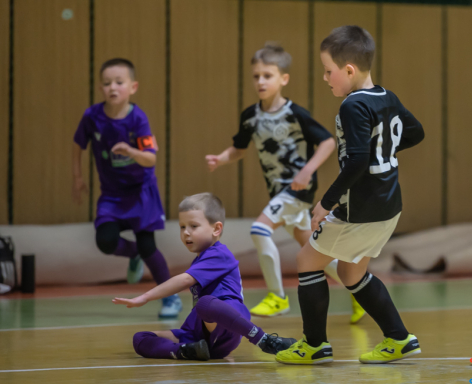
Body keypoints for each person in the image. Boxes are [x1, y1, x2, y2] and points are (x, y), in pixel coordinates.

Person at [275, 26, 425, 365]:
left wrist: (325, 202)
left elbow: (357, 161)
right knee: (351, 273)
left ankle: (314, 345)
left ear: (349, 70)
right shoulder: (387, 96)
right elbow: (416, 132)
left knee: (306, 261)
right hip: (389, 206)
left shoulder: (353, 105)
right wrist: (384, 150)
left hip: (361, 207)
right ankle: (399, 338)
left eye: (328, 71)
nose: (325, 77)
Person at [206, 44, 365, 323]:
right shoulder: (251, 116)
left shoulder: (295, 113)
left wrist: (307, 171)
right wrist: (221, 158)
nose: (261, 81)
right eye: (256, 76)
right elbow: (239, 149)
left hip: (297, 190)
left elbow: (327, 142)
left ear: (284, 79)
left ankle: (277, 297)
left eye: (267, 75)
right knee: (314, 251)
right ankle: (359, 291)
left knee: (259, 229)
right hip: (279, 192)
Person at [113, 193, 296, 360]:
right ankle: (186, 350)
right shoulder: (199, 259)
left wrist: (145, 297)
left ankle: (264, 340)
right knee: (140, 338)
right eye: (182, 227)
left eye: (193, 226)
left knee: (205, 303)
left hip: (228, 321)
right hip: (202, 336)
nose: (186, 232)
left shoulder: (220, 254)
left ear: (216, 229)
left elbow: (185, 280)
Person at [72, 58, 182, 318]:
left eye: (119, 82)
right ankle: (134, 255)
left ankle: (171, 298)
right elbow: (78, 145)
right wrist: (77, 177)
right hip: (111, 195)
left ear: (133, 87)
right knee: (105, 241)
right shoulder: (92, 116)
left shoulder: (138, 119)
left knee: (148, 246)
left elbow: (150, 159)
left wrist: (131, 151)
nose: (112, 87)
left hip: (141, 192)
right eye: (107, 83)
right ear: (101, 88)